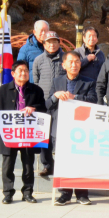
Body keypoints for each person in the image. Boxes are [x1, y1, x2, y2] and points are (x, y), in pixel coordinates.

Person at [0, 60, 46, 204]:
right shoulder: (2, 90)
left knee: (28, 165)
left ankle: (27, 192)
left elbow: (43, 108)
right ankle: (8, 193)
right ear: (13, 74)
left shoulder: (36, 90)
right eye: (20, 70)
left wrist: (33, 108)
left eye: (26, 70)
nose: (24, 73)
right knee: (8, 165)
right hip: (10, 133)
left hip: (28, 133)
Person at [46, 52, 97, 206]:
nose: (74, 65)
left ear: (80, 64)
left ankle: (82, 194)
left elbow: (94, 101)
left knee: (81, 161)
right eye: (70, 62)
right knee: (64, 161)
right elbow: (48, 104)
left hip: (81, 129)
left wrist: (75, 98)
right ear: (64, 65)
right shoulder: (56, 81)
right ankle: (65, 194)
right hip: (62, 127)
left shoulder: (88, 82)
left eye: (76, 61)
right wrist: (55, 96)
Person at [32, 31, 65, 176]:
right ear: (43, 44)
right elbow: (36, 81)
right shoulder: (38, 60)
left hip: (62, 104)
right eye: (48, 42)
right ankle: (47, 165)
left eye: (54, 41)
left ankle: (61, 164)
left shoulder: (66, 58)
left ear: (59, 43)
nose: (52, 44)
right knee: (43, 135)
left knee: (59, 135)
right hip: (44, 104)